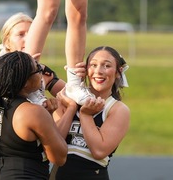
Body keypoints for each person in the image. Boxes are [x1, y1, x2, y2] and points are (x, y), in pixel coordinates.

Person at [0, 51, 68, 180]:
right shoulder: (32, 112)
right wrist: (68, 109)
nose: (41, 74)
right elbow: (59, 157)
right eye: (37, 69)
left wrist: (48, 114)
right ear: (25, 82)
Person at [51, 46, 131, 180]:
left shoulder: (118, 109)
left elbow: (99, 151)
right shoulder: (69, 97)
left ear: (118, 72)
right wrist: (71, 108)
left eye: (106, 66)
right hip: (58, 174)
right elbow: (53, 144)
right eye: (93, 65)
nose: (99, 71)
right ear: (86, 70)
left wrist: (85, 115)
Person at [0, 12, 65, 104]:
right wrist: (12, 75)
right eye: (21, 35)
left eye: (31, 34)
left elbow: (68, 95)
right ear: (7, 42)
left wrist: (76, 78)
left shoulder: (41, 70)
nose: (28, 39)